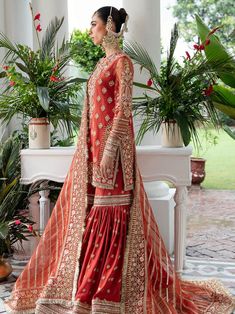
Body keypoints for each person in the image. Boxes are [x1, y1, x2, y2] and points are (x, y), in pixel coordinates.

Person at [5, 6, 235, 314]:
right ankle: (88, 288)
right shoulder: (101, 63)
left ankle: (108, 293)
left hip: (113, 156)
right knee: (94, 215)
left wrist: (110, 152)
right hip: (91, 153)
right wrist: (88, 150)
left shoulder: (122, 63)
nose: (90, 30)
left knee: (110, 213)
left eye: (94, 24)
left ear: (110, 25)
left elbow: (123, 111)